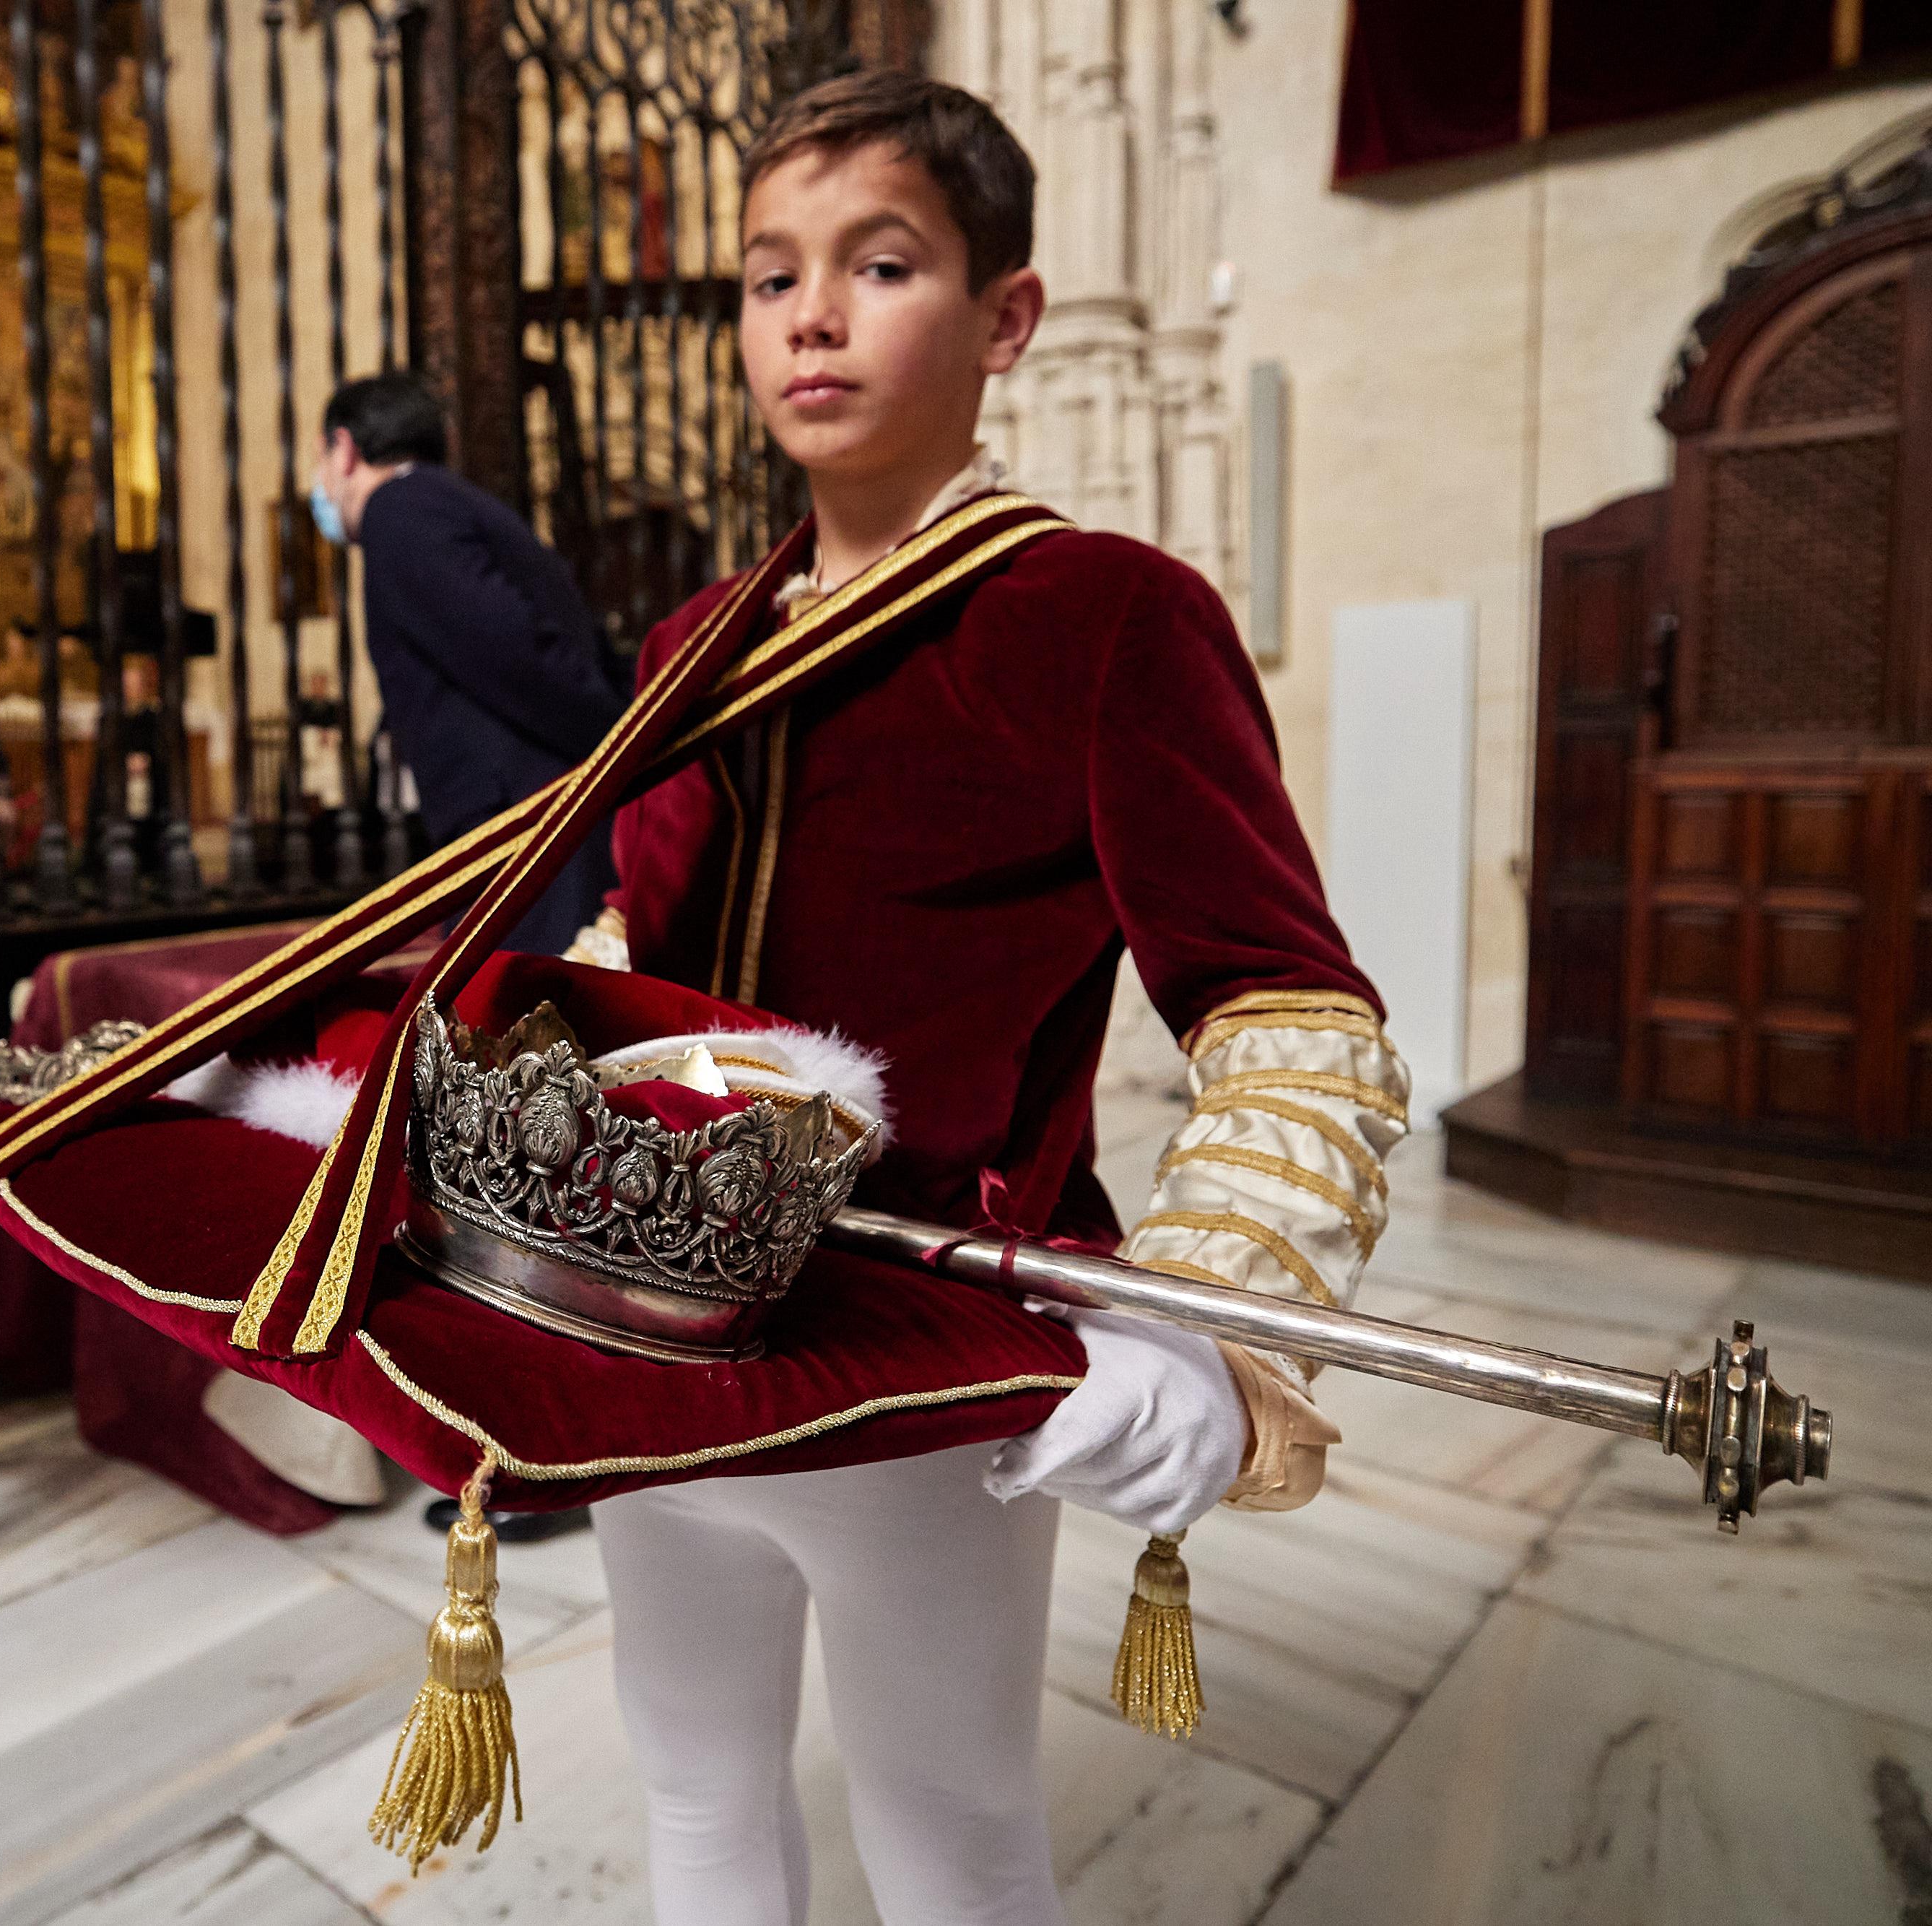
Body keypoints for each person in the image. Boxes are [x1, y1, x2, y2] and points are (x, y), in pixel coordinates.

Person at [564, 73, 1409, 1923]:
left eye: (879, 262)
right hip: (658, 1326)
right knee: (694, 1793)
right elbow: (643, 956)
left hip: (926, 1350)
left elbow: (1285, 1007)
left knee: (949, 1842)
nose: (810, 312)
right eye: (766, 273)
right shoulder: (691, 643)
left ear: (1004, 316)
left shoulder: (1099, 614)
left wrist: (1202, 1319)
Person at [312, 372, 625, 955]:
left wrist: (618, 735)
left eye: (321, 458)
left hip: (525, 827)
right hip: (539, 814)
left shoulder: (400, 511)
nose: (321, 484)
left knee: (530, 1032)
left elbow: (514, 652)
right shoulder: (444, 503)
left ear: (346, 448)